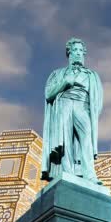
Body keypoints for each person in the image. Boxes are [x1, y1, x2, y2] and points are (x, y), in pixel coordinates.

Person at [41, 38, 103, 184]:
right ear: (69, 53)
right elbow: (49, 94)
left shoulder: (91, 75)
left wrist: (91, 113)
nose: (78, 53)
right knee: (65, 140)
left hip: (83, 106)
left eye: (81, 51)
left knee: (86, 139)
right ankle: (67, 174)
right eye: (75, 50)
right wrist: (64, 82)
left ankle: (89, 174)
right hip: (64, 104)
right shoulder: (58, 73)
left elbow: (98, 99)